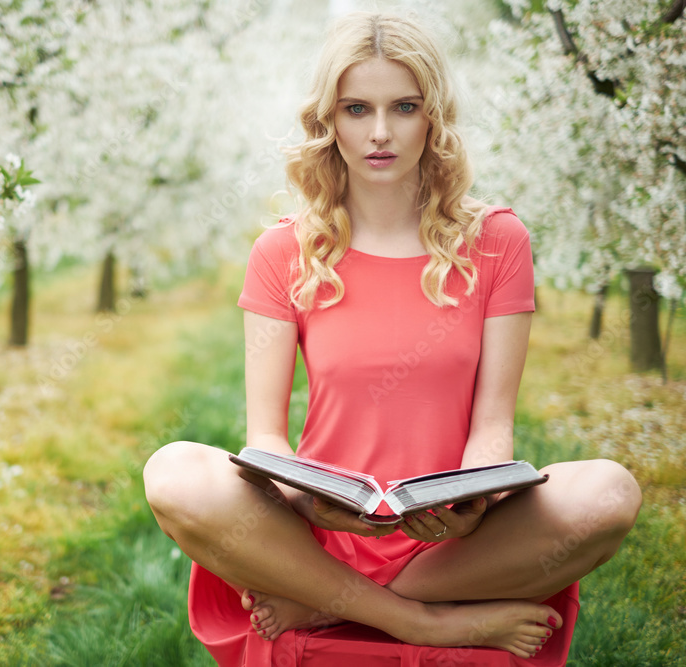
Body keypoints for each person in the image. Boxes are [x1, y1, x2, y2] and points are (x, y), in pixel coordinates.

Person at [143, 10, 641, 666]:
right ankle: (423, 622)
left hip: (455, 543)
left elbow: (493, 426)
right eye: (356, 108)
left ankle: (329, 602)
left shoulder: (498, 241)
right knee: (172, 471)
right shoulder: (281, 251)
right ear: (329, 120)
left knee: (610, 490)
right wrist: (308, 499)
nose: (380, 132)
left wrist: (475, 496)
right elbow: (265, 438)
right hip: (319, 530)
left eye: (403, 107)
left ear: (432, 115)